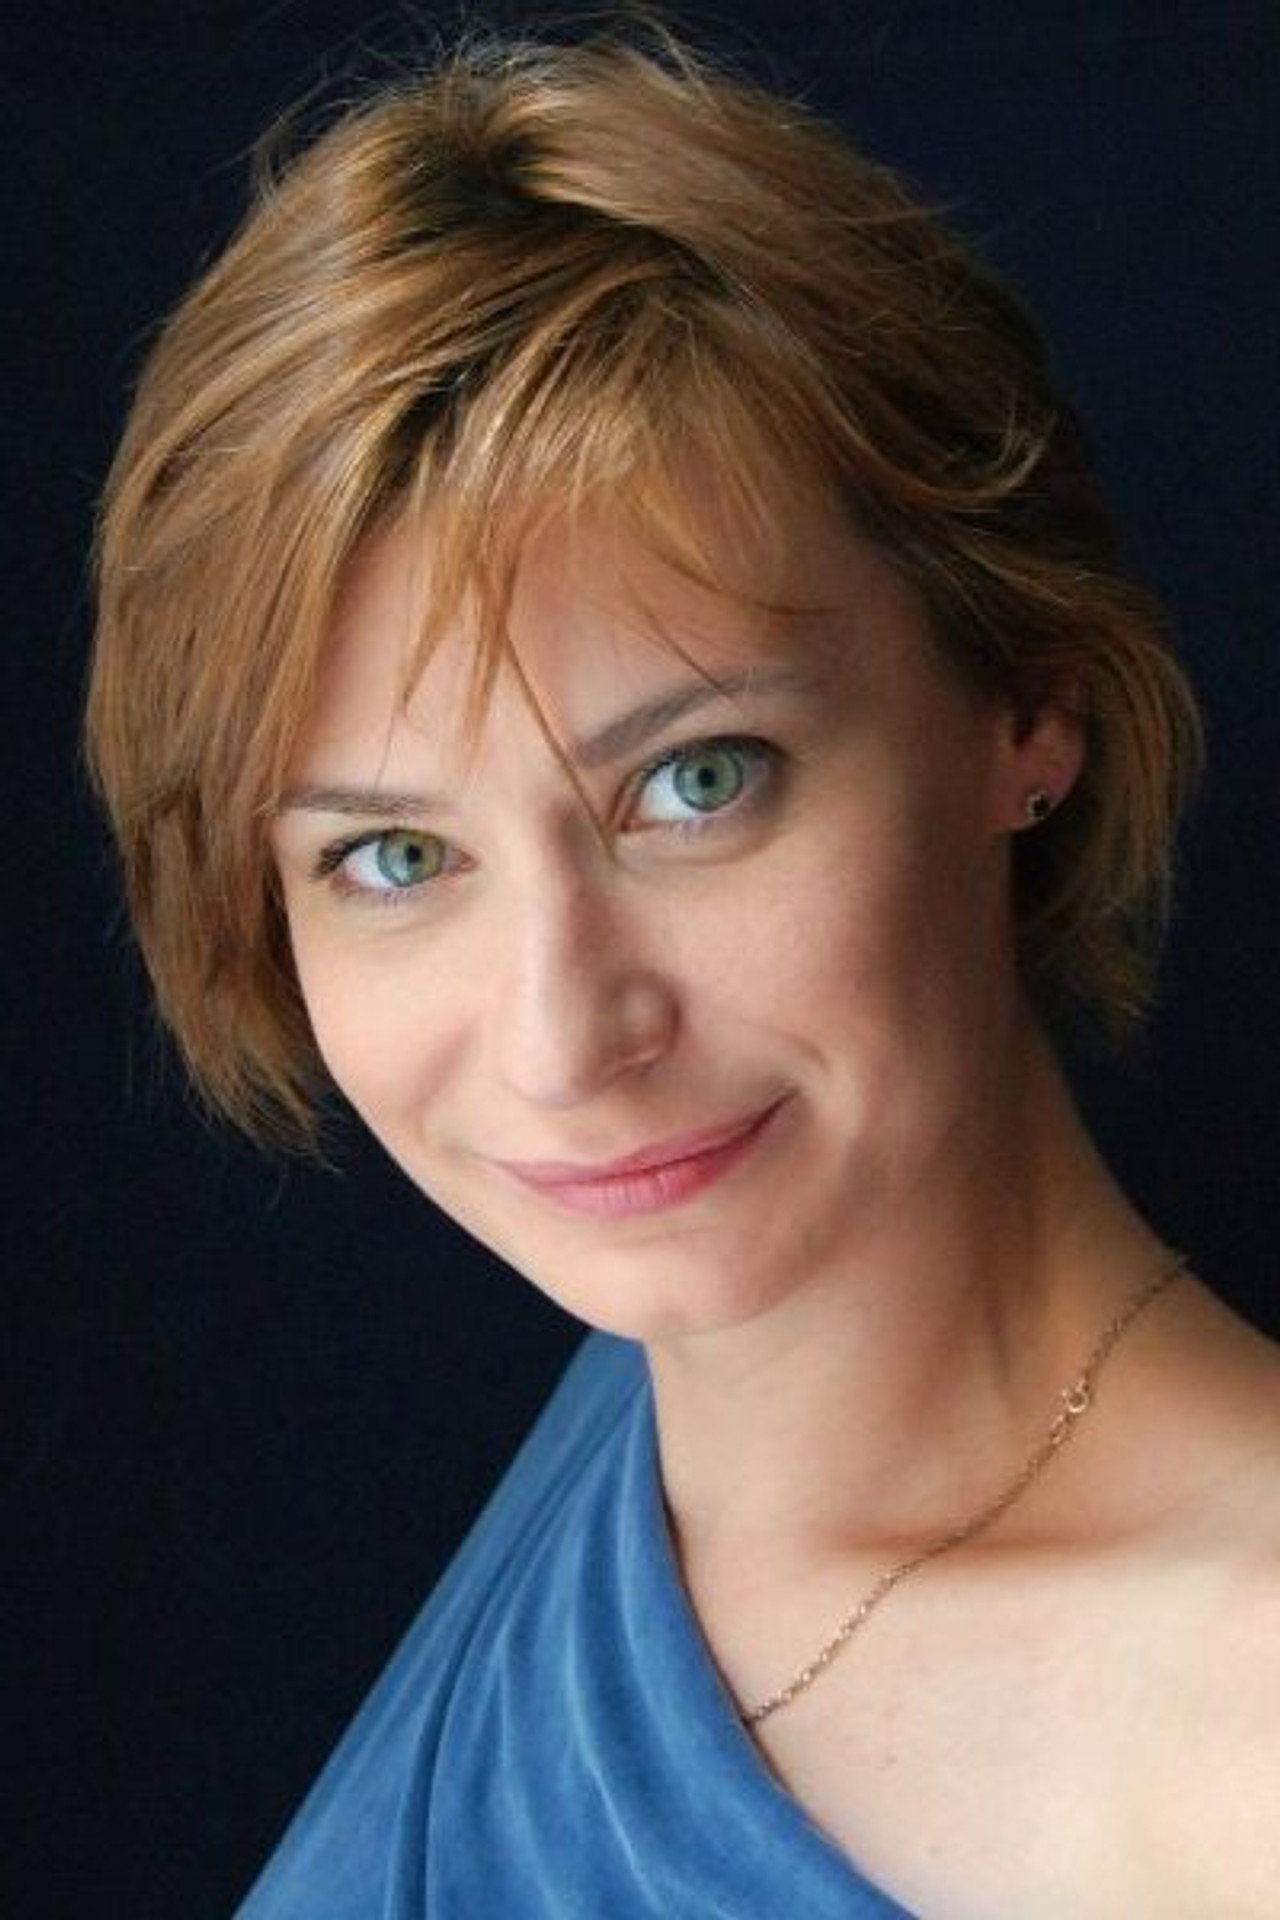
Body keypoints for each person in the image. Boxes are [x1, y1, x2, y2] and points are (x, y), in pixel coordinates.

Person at [86, 26, 1280, 1919]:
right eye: (396, 857)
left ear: (1025, 705)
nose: (566, 1040)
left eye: (697, 783)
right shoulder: (642, 1404)